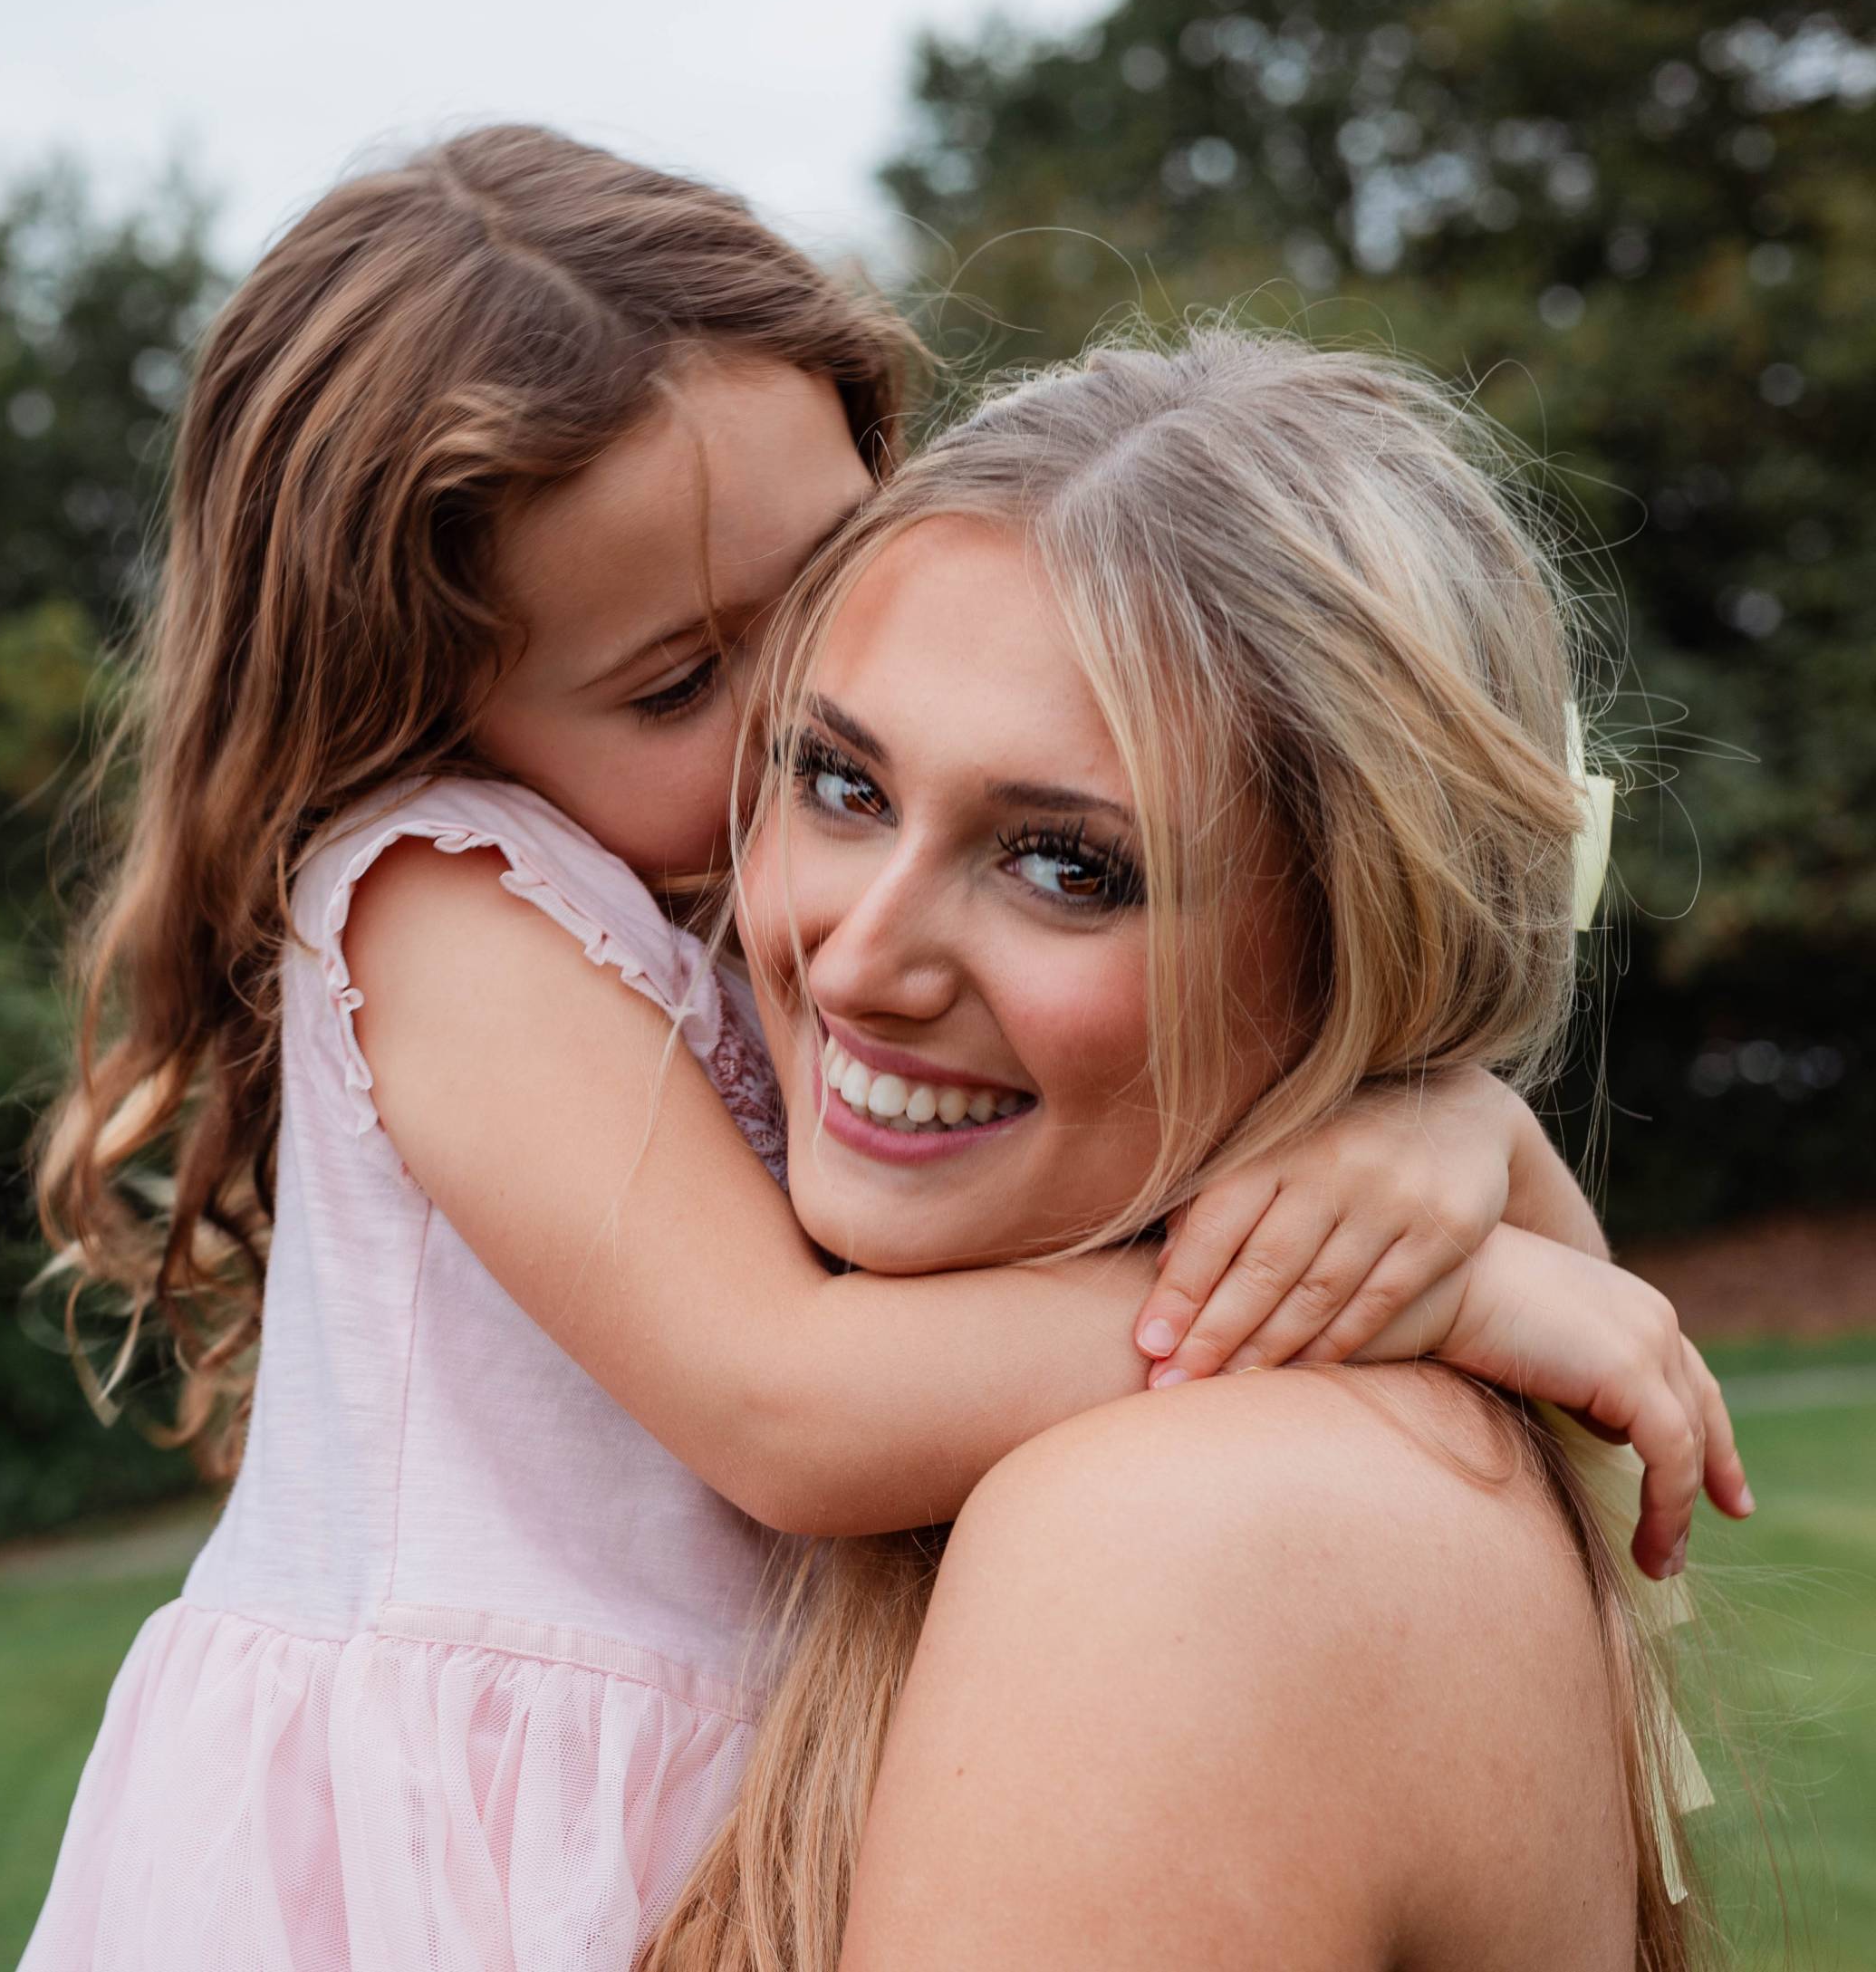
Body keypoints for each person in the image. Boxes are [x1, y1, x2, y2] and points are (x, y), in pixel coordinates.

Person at [23, 130, 1738, 1969]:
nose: (795, 704)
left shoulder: (762, 918)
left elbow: (1592, 1356)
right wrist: (1424, 1295)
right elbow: (787, 1397)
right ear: (427, 690)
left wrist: (1442, 1123)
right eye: (691, 685)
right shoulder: (443, 904)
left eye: (825, 584)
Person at [650, 323, 1735, 1970]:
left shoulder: (1188, 1535)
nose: (855, 960)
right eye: (841, 782)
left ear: (1361, 961)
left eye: (1067, 867)